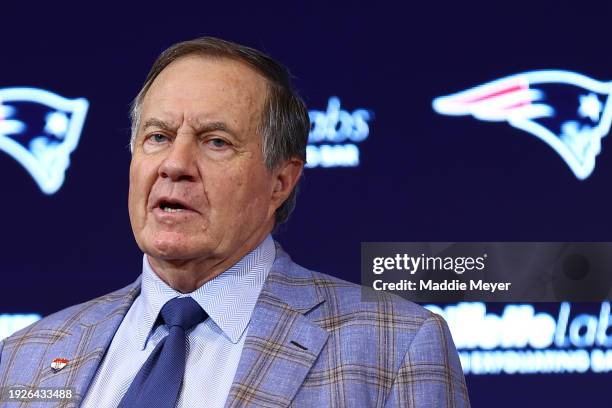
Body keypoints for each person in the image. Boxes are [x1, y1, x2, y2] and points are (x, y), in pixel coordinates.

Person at [0, 37, 469, 407]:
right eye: (158, 136)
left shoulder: (395, 346)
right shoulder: (26, 356)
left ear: (280, 181)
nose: (175, 164)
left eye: (216, 141)